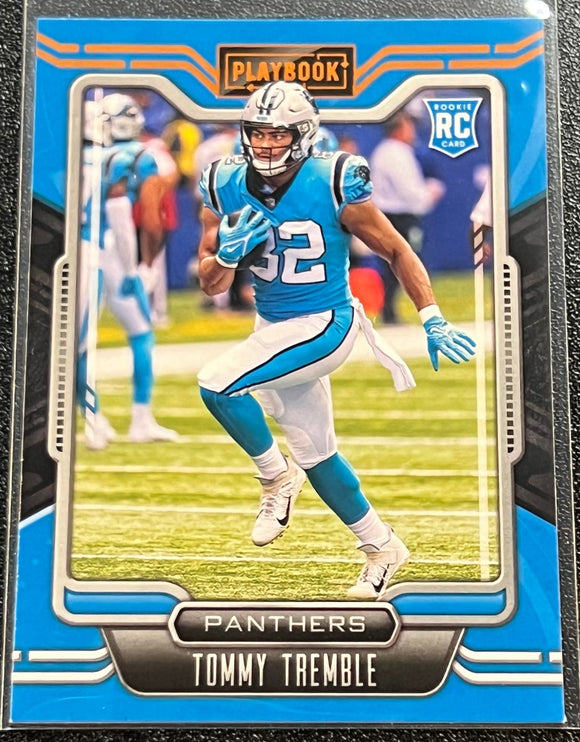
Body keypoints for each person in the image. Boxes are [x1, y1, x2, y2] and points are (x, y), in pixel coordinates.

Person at [196, 81, 475, 600]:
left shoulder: (334, 178)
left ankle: (275, 477)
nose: (265, 144)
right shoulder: (222, 181)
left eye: (278, 135)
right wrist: (227, 257)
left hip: (325, 323)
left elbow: (396, 249)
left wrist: (432, 316)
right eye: (258, 133)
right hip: (272, 327)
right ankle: (382, 546)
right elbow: (210, 283)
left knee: (216, 384)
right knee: (318, 457)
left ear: (303, 134)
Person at [78, 94, 179, 448]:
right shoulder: (132, 156)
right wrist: (140, 266)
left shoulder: (73, 154)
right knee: (140, 333)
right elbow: (125, 217)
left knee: (77, 344)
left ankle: (94, 419)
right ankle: (139, 419)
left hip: (73, 249)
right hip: (106, 250)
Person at [369, 110, 445, 323]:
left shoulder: (386, 151)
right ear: (399, 129)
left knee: (394, 263)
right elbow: (409, 191)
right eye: (409, 126)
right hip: (399, 216)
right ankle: (390, 311)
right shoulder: (395, 153)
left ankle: (390, 311)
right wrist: (430, 194)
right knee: (404, 262)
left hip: (390, 215)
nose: (412, 131)